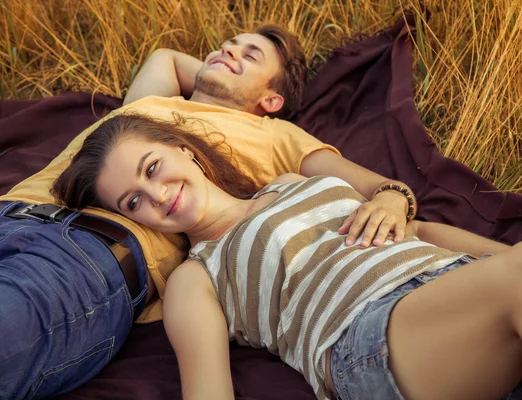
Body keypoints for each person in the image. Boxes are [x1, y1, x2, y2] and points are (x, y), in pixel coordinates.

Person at [53, 113, 522, 400]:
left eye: (151, 169)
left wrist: (393, 196)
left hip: (455, 286)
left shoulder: (297, 179)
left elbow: (421, 225)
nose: (157, 195)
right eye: (134, 202)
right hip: (367, 338)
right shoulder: (198, 277)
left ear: (182, 150)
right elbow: (208, 391)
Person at [0, 24, 419, 398]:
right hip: (9, 210)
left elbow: (376, 187)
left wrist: (393, 198)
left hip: (79, 249)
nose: (227, 52)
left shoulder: (273, 135)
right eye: (225, 45)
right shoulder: (147, 112)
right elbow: (164, 57)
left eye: (249, 55)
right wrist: (223, 68)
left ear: (272, 99)